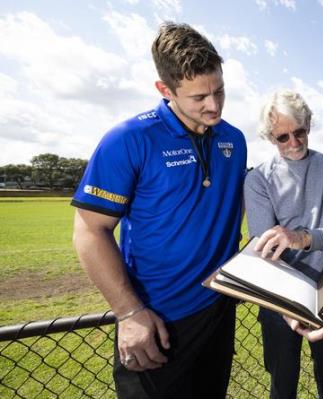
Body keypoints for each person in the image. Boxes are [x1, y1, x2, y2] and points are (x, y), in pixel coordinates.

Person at [71, 22, 246, 398]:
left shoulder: (235, 139)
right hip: (156, 321)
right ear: (165, 90)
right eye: (199, 97)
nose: (213, 105)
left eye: (219, 91)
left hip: (218, 310)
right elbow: (89, 231)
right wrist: (129, 314)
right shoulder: (128, 139)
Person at [244, 89, 323, 399]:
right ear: (270, 137)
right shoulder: (258, 180)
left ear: (309, 125)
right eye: (283, 137)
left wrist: (304, 238)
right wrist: (287, 310)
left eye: (300, 132)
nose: (294, 143)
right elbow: (264, 251)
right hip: (279, 298)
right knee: (282, 388)